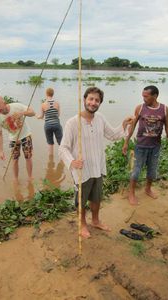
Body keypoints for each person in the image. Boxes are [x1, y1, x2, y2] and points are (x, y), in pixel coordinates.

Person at [59, 87, 133, 238]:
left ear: (100, 103)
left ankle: (95, 220)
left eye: (97, 100)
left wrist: (124, 124)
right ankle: (82, 224)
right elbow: (63, 148)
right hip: (81, 171)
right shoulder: (72, 123)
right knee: (81, 200)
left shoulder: (100, 118)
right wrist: (72, 161)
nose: (93, 103)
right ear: (84, 99)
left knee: (97, 198)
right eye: (91, 99)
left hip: (98, 168)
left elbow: (112, 135)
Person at [122, 85, 168, 206]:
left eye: (146, 96)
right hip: (140, 146)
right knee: (135, 171)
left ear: (155, 96)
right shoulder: (140, 108)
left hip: (155, 146)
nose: (143, 98)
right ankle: (131, 193)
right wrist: (126, 142)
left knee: (152, 171)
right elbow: (132, 126)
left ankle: (148, 189)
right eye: (143, 96)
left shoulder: (164, 109)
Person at [0, 96, 35, 182]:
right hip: (13, 139)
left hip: (25, 135)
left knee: (28, 157)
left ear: (4, 103)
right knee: (15, 160)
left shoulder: (16, 106)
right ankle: (15, 179)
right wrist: (0, 151)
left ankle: (30, 177)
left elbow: (32, 112)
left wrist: (22, 113)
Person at [36, 87, 63, 155]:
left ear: (46, 94)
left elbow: (41, 116)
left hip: (48, 125)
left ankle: (51, 161)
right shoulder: (57, 103)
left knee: (50, 144)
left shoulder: (43, 104)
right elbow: (58, 115)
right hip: (57, 124)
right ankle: (62, 158)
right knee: (60, 142)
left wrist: (37, 117)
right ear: (53, 94)